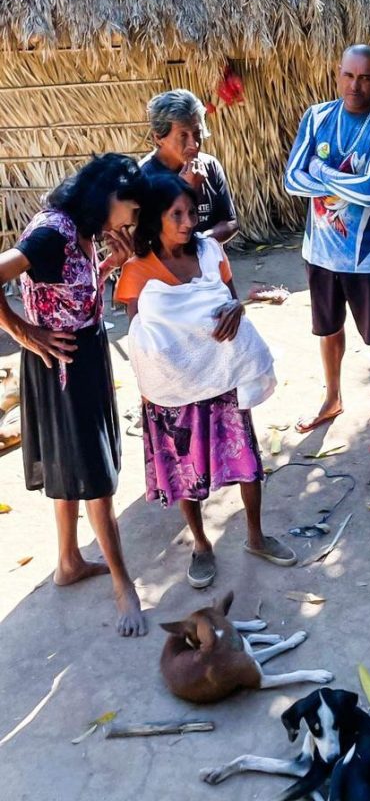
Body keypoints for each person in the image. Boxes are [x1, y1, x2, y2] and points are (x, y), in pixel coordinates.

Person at [115, 174, 292, 589]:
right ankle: (200, 544)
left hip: (222, 376)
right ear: (155, 218)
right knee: (187, 470)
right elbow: (142, 337)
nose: (187, 222)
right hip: (173, 389)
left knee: (247, 462)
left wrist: (237, 309)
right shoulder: (136, 271)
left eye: (192, 213)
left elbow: (229, 299)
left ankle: (255, 536)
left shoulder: (211, 251)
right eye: (176, 214)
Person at [0, 155, 148, 636]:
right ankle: (124, 586)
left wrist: (110, 264)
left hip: (81, 356)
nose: (132, 221)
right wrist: (22, 332)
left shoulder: (81, 230)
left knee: (71, 462)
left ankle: (68, 561)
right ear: (108, 197)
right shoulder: (52, 232)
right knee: (96, 476)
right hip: (61, 365)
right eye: (132, 209)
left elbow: (71, 289)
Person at [284, 44, 370, 453]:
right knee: (328, 328)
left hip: (368, 255)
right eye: (349, 75)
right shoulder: (317, 117)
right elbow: (291, 179)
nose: (356, 85)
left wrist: (319, 170)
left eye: (366, 78)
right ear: (338, 74)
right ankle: (333, 397)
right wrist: (339, 181)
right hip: (320, 251)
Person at [142, 88, 238, 244]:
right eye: (183, 135)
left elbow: (230, 222)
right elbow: (149, 241)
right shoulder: (143, 180)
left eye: (197, 133)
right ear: (158, 138)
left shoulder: (210, 166)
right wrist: (187, 192)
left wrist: (201, 243)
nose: (194, 145)